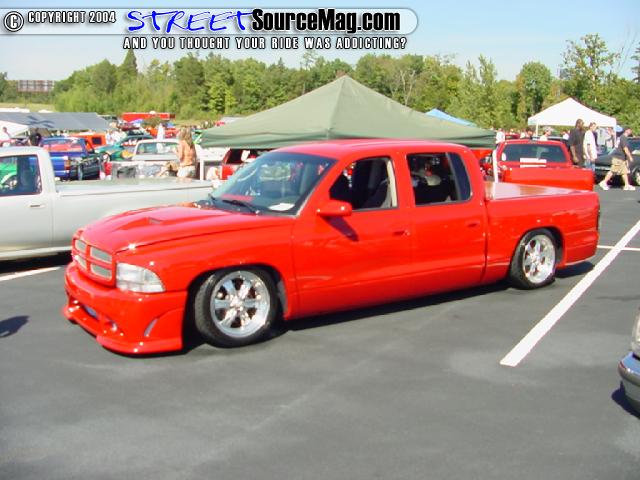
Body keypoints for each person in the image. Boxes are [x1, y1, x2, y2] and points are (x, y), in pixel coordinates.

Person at [599, 126, 635, 191]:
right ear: (626, 130)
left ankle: (627, 185)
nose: (631, 131)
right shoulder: (623, 138)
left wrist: (626, 159)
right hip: (618, 158)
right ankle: (604, 182)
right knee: (613, 171)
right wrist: (630, 157)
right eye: (630, 130)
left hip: (622, 158)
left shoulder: (622, 137)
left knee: (624, 172)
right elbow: (625, 148)